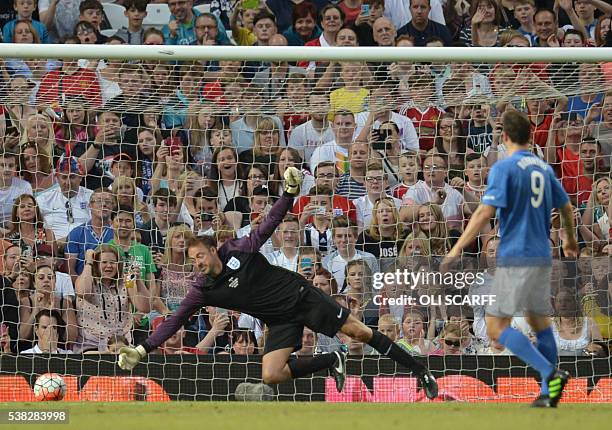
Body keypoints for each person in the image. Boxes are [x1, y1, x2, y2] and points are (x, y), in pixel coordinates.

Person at [118, 167, 438, 399]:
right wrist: (142, 349)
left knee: (360, 332)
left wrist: (288, 193)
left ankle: (419, 371)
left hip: (300, 296)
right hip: (278, 319)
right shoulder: (202, 289)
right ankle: (332, 360)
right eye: (193, 260)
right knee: (271, 375)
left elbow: (268, 225)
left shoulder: (238, 249)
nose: (198, 263)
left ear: (212, 249)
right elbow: (173, 321)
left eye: (200, 256)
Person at [442, 110, 578, 408]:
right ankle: (549, 394)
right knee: (540, 323)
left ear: (504, 136)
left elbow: (483, 213)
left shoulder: (505, 167)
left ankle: (549, 372)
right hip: (543, 256)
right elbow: (567, 208)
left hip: (516, 255)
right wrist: (568, 239)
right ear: (530, 135)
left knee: (496, 328)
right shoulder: (543, 168)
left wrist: (455, 249)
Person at [0, 148, 33, 228]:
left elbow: (28, 212)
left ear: (15, 167)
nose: (6, 169)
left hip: (18, 227)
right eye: (2, 165)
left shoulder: (25, 186)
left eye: (10, 166)